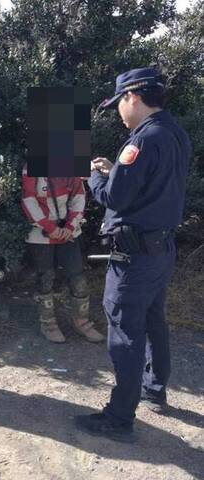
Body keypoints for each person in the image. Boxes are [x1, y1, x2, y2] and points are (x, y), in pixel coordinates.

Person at [75, 68, 191, 442]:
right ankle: (154, 388)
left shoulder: (139, 142)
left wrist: (94, 175)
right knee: (154, 321)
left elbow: (114, 198)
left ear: (133, 98)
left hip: (134, 255)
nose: (119, 113)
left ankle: (119, 416)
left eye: (119, 104)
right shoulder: (175, 133)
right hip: (160, 249)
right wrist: (116, 173)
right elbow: (152, 186)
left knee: (125, 330)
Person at [22, 167, 105, 343]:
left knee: (78, 278)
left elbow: (79, 196)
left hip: (69, 232)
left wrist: (70, 226)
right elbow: (29, 199)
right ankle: (48, 323)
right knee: (46, 277)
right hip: (41, 233)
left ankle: (82, 322)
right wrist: (49, 227)